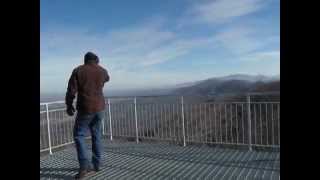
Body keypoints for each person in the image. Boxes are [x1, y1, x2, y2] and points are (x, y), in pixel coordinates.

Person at [65, 52, 110, 179]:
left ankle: (84, 166)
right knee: (96, 135)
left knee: (79, 135)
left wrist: (69, 105)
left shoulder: (78, 71)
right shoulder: (102, 71)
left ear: (85, 60)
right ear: (96, 60)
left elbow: (71, 90)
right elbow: (107, 78)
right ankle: (97, 164)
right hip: (100, 108)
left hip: (85, 108)